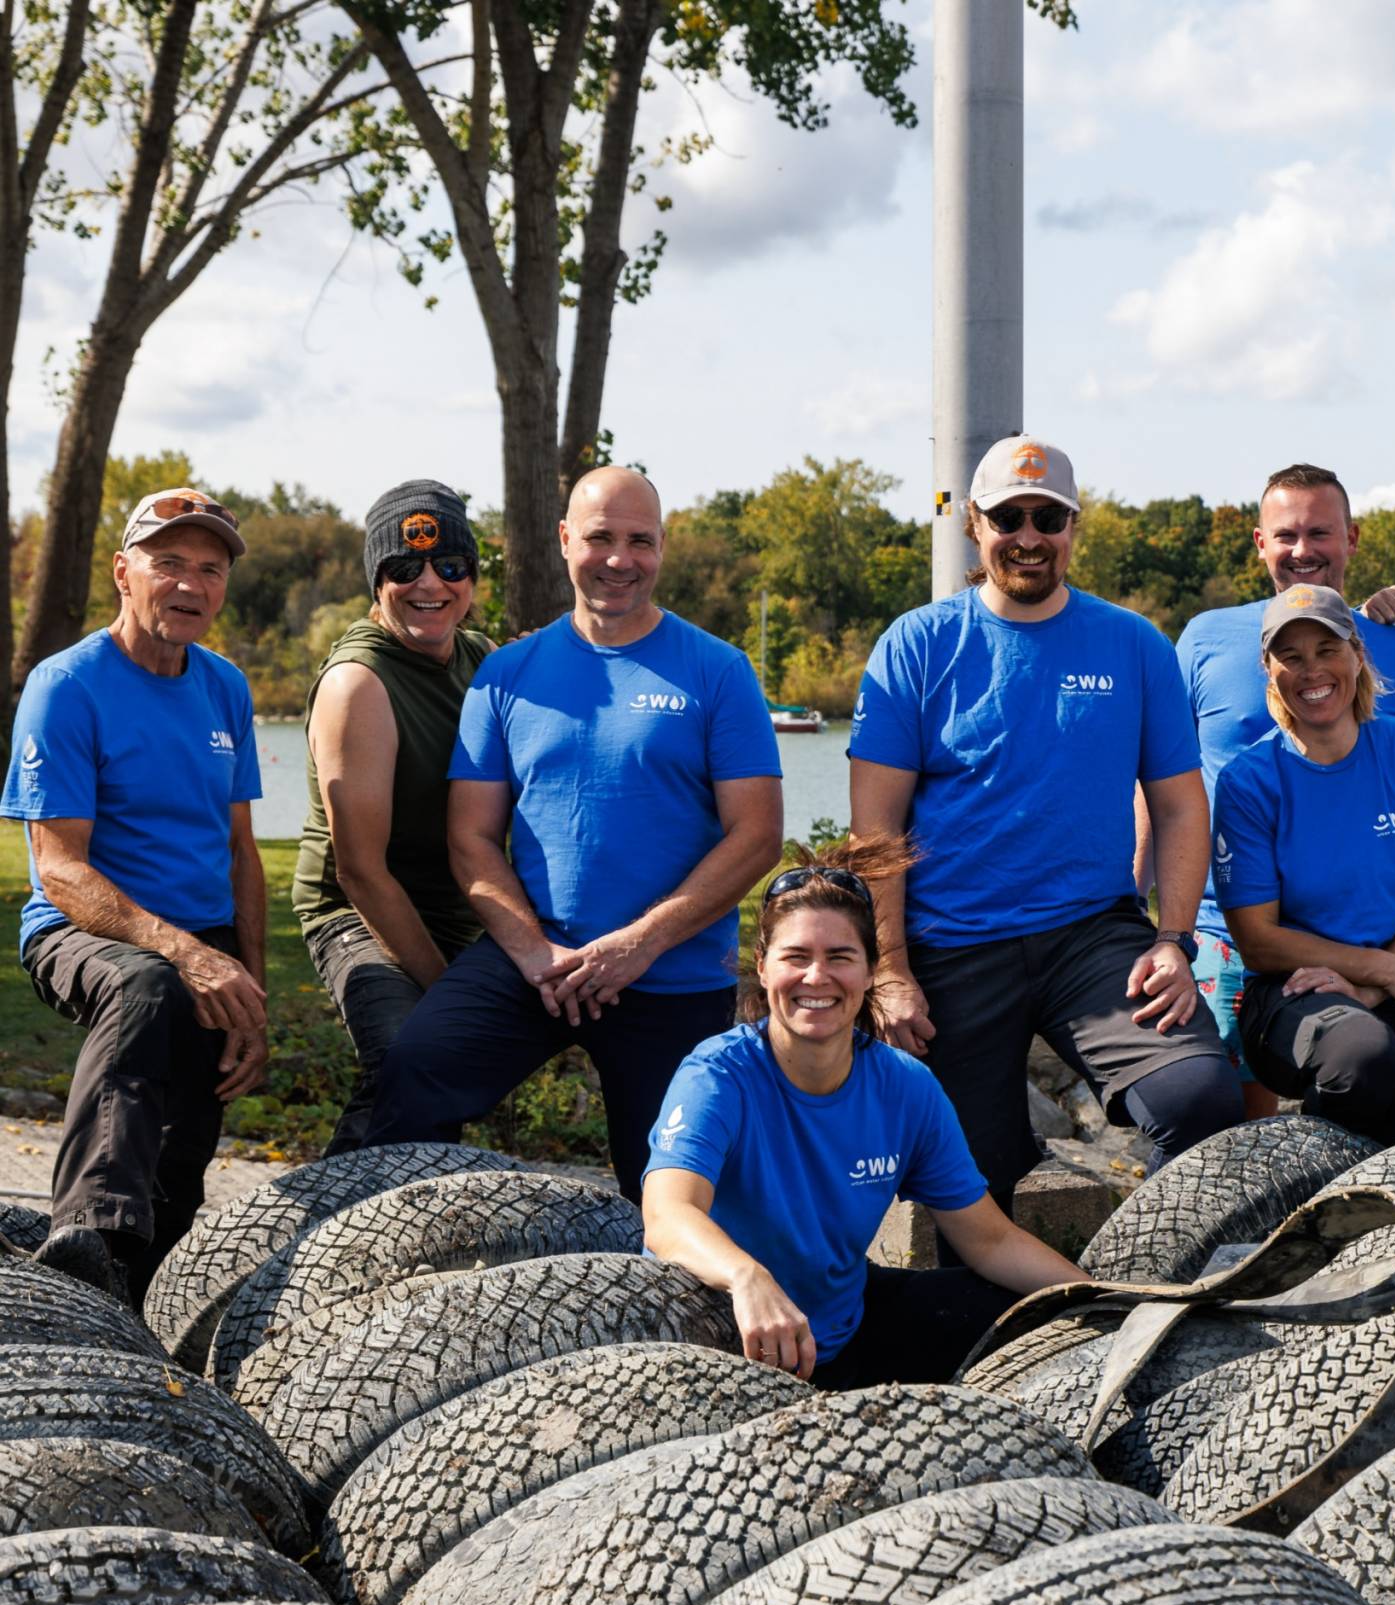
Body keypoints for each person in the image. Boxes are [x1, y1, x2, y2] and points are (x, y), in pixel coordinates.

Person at [361, 467, 784, 1197]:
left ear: (662, 548)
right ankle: (383, 1271)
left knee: (676, 1189)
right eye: (599, 538)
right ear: (564, 540)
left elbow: (757, 836)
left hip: (670, 971)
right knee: (414, 1069)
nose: (620, 559)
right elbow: (472, 840)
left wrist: (640, 943)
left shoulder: (717, 670)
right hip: (536, 959)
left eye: (639, 541)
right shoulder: (507, 673)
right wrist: (534, 952)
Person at [847, 435, 1243, 1212]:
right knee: (964, 1176)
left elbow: (1179, 805)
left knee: (1200, 1095)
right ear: (974, 523)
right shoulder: (919, 644)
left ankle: (1149, 1267)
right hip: (952, 943)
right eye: (1008, 517)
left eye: (1048, 518)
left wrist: (1173, 939)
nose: (1028, 536)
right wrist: (889, 971)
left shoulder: (1132, 643)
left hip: (1090, 937)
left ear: (1073, 526)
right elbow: (875, 832)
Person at [642, 844, 1086, 1384]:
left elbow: (988, 1240)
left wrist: (1093, 1300)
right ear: (762, 967)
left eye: (840, 957)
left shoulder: (904, 1085)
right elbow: (668, 1215)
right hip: (718, 1339)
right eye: (796, 956)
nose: (816, 977)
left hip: (840, 1331)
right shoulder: (718, 1074)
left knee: (1017, 1312)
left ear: (872, 970)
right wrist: (746, 1277)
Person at [2, 489, 263, 1299]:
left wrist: (251, 989)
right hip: (82, 929)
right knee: (145, 985)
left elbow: (241, 851)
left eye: (209, 569)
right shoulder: (66, 684)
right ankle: (83, 1234)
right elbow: (61, 868)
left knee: (182, 1162)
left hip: (201, 937)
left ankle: (141, 1294)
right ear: (124, 572)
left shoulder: (225, 687)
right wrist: (183, 951)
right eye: (169, 562)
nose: (190, 583)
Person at [1175, 462, 1395, 1118]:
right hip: (1229, 927)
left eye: (1319, 532)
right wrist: (1153, 925)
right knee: (1224, 1128)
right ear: (1260, 543)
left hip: (1378, 933)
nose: (1302, 549)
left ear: (1351, 539)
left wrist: (1393, 964)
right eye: (1286, 534)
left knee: (1383, 1097)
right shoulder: (1205, 638)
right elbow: (1164, 786)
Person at [1213, 585, 1395, 1143]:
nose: (1312, 671)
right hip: (1292, 995)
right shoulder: (1248, 781)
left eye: (1327, 650)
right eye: (1292, 657)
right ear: (1269, 670)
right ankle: (1310, 1188)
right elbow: (1257, 940)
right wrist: (1383, 972)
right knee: (1363, 1053)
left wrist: (1378, 984)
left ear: (1357, 654)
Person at [293, 481, 495, 1152]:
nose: (429, 583)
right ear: (376, 583)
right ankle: (323, 1231)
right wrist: (445, 989)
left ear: (472, 577)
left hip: (458, 909)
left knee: (445, 1066)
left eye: (450, 566)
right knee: (417, 1048)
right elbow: (359, 870)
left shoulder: (482, 660)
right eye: (403, 569)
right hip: (357, 911)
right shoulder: (360, 685)